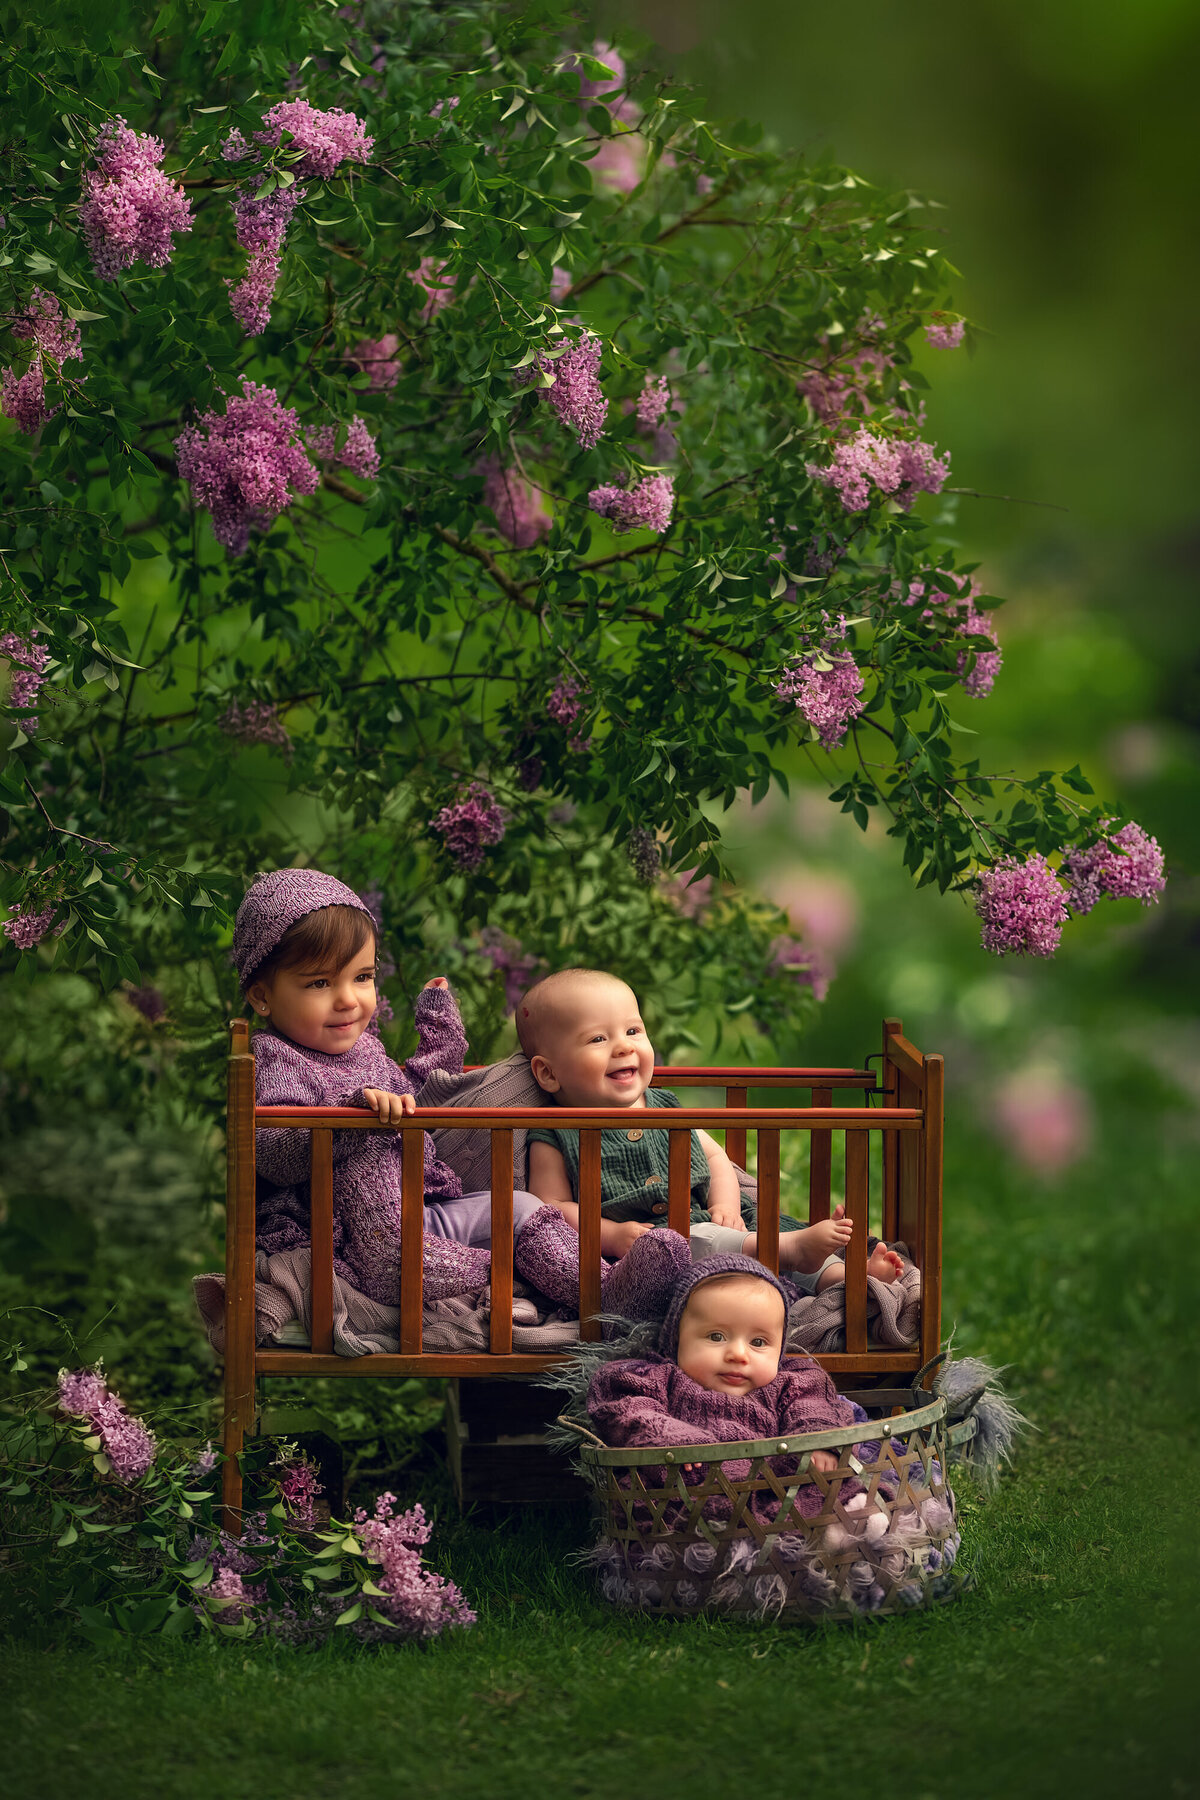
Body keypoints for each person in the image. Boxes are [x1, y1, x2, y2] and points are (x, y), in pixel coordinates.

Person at [234, 869, 600, 1311]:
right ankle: (505, 1277)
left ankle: (606, 1288)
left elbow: (416, 1100)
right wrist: (352, 1118)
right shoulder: (277, 1056)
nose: (348, 999)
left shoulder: (365, 1048)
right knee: (365, 1166)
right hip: (358, 1234)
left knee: (521, 1208)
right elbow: (274, 1152)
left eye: (363, 977)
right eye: (319, 983)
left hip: (424, 1212)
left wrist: (440, 1044)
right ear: (262, 997)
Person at [520, 966, 904, 1289]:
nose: (623, 1047)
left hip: (708, 1222)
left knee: (764, 1232)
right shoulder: (554, 1130)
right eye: (598, 1038)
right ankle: (795, 1252)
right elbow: (550, 1207)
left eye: (633, 1031)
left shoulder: (664, 1107)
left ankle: (846, 1278)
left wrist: (725, 1204)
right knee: (713, 1243)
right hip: (649, 1249)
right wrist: (612, 1234)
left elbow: (715, 1156)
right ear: (548, 1073)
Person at [586, 1240, 864, 1498]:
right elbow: (630, 1408)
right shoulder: (657, 1378)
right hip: (688, 1496)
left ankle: (845, 1525)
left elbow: (814, 1407)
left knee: (829, 1491)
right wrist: (672, 1439)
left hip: (777, 1491)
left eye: (758, 1342)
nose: (738, 1354)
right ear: (676, 1338)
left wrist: (817, 1442)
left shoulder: (790, 1382)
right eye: (716, 1337)